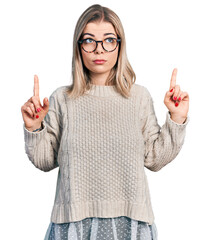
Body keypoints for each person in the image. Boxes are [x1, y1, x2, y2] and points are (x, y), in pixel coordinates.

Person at [21, 4, 189, 240]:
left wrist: (177, 118)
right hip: (73, 224)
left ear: (119, 46)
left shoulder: (138, 97)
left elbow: (154, 158)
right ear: (78, 47)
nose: (99, 50)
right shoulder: (61, 99)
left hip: (130, 224)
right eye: (89, 41)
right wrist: (34, 127)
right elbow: (45, 160)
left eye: (109, 40)